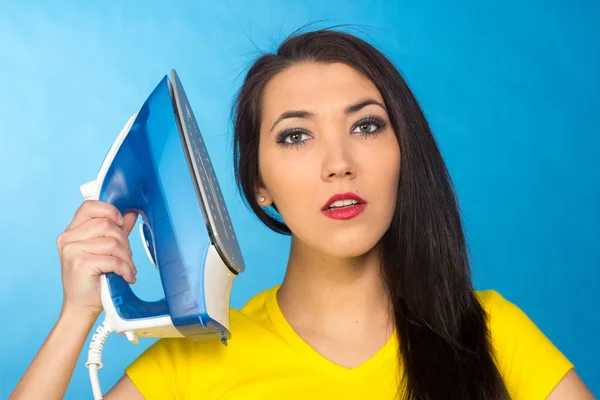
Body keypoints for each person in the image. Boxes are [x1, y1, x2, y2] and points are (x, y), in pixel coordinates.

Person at [10, 28, 594, 400]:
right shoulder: (191, 364)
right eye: (295, 137)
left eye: (366, 126)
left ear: (402, 156)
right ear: (258, 185)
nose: (339, 163)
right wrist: (77, 317)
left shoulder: (491, 334)